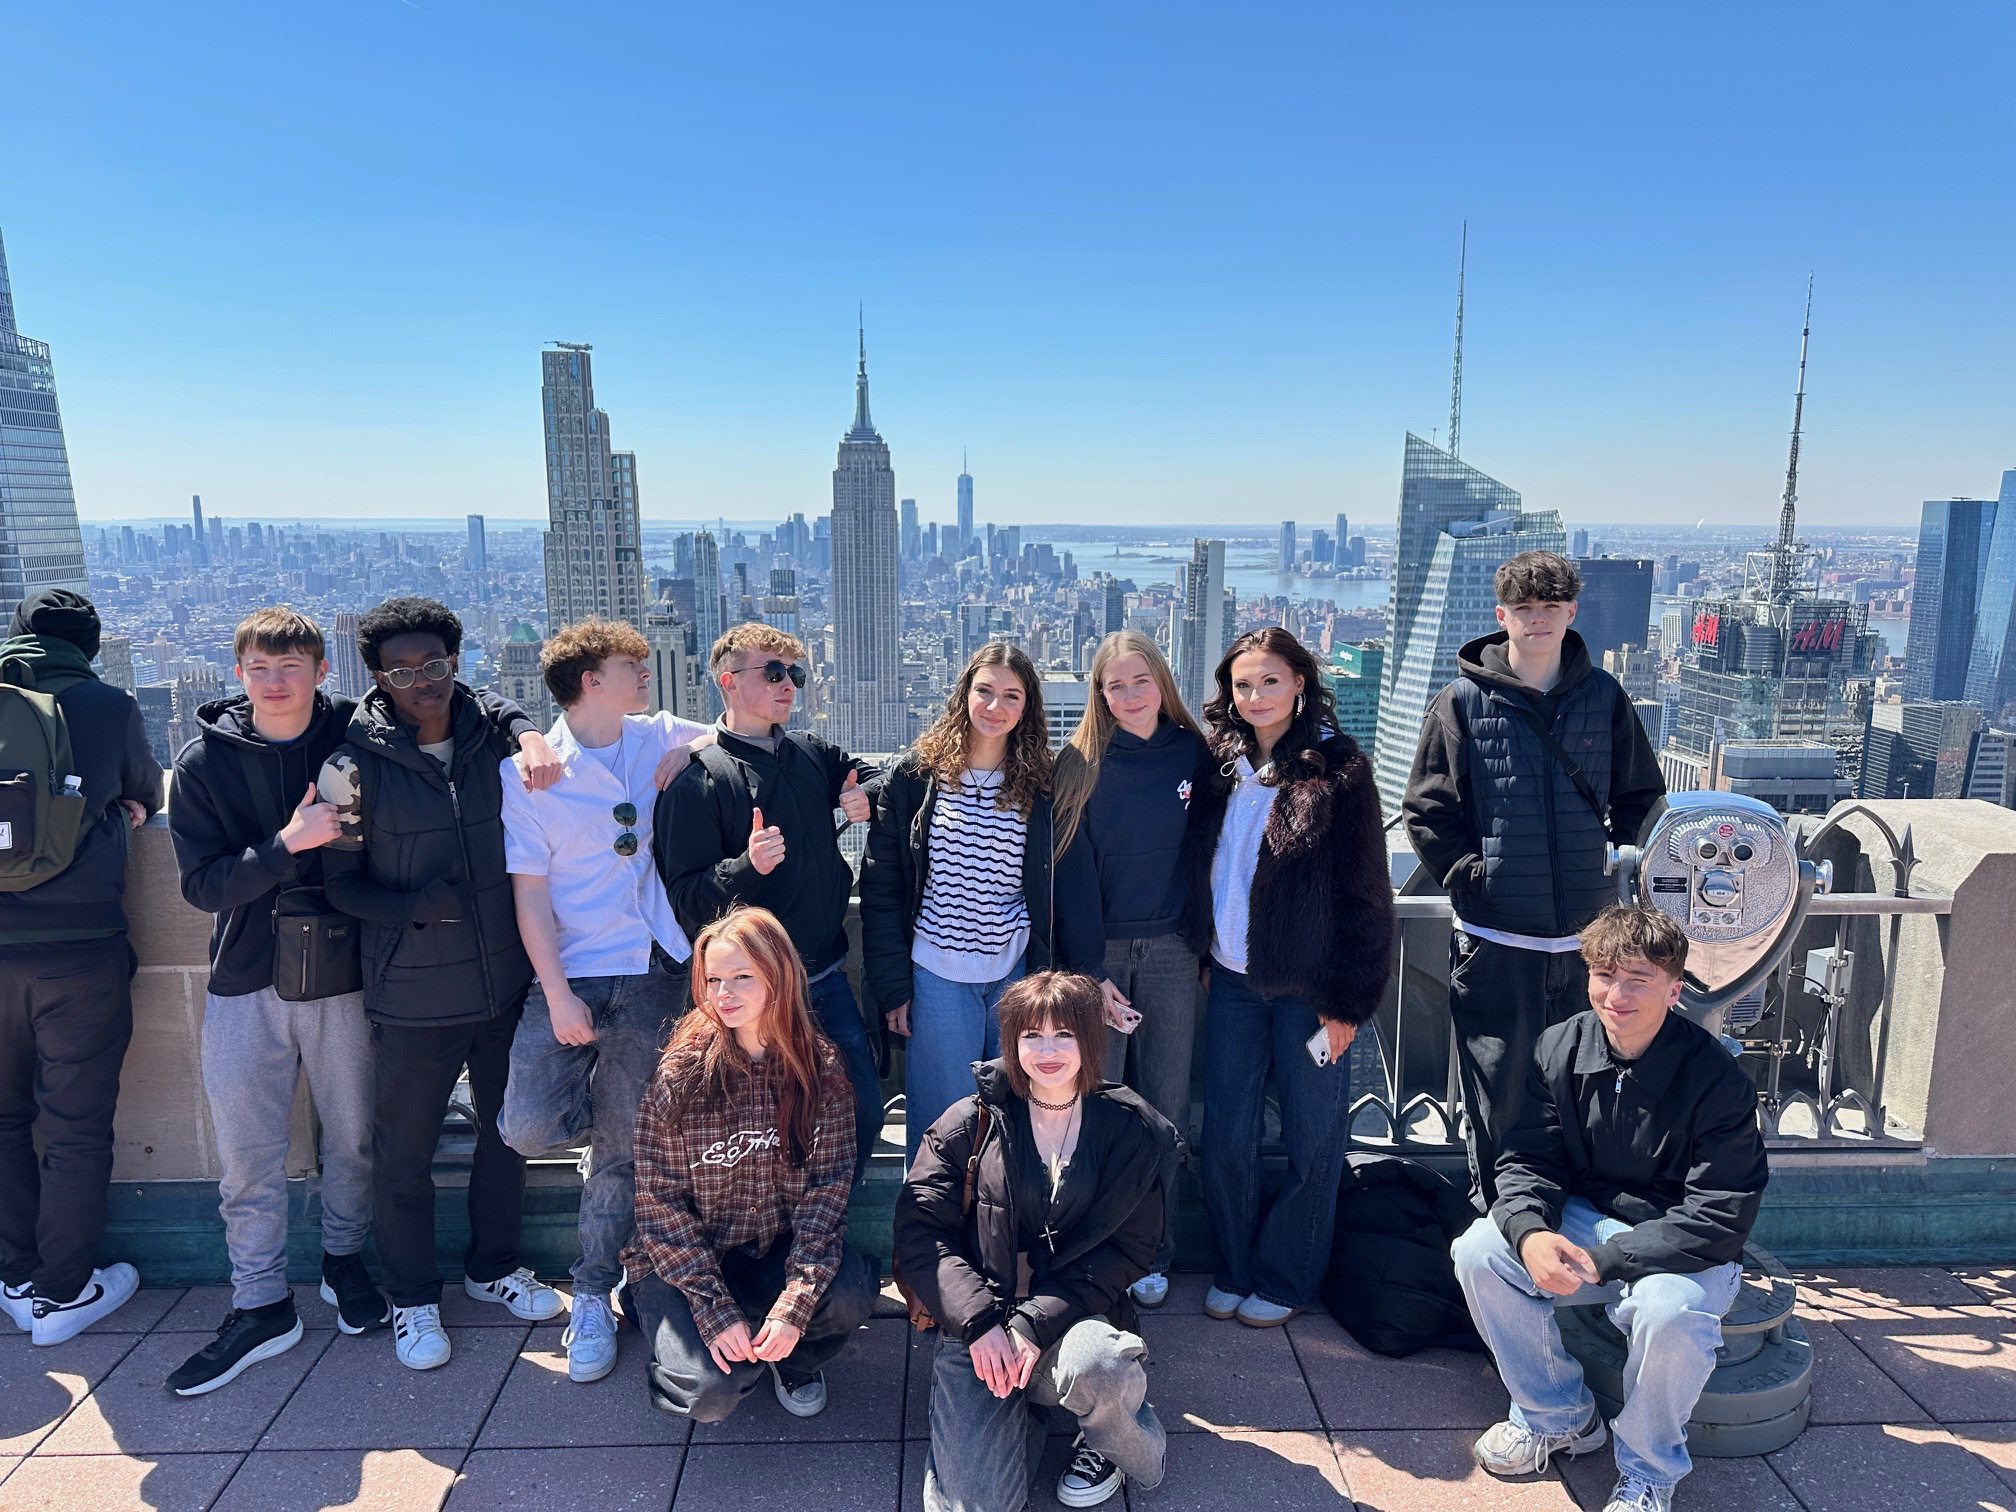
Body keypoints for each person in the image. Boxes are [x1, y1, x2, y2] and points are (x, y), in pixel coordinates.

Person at [164, 606, 559, 1394]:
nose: (422, 681)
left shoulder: (430, 733)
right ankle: (301, 1301)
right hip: (313, 978)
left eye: (291, 668)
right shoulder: (296, 758)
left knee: (442, 1139)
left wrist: (530, 728)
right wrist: (299, 850)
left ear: (322, 672)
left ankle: (417, 1267)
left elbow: (483, 706)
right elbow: (226, 884)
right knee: (302, 1152)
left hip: (436, 977)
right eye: (259, 669)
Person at [318, 597, 566, 1370]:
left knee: (507, 1141)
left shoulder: (496, 736)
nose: (420, 680)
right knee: (405, 1156)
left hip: (504, 984)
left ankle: (491, 1269)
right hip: (411, 997)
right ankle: (413, 1299)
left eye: (433, 664)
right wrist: (410, 910)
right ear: (377, 676)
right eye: (402, 669)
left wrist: (523, 725)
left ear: (456, 662)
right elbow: (338, 886)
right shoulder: (348, 765)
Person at [1453, 905, 1769, 1512]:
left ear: (1675, 989)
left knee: (1669, 1312)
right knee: (1479, 1251)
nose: (1615, 995)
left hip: (1681, 1243)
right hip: (1586, 1219)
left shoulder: (1717, 1079)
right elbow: (1527, 1157)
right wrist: (1527, 1233)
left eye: (1638, 980)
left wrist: (1605, 1259)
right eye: (1604, 975)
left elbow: (1722, 1213)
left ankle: (1650, 1469)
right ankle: (1558, 1416)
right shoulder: (1560, 1046)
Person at [1402, 550, 1665, 1208]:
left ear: (1572, 612)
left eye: (1550, 608)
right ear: (1502, 617)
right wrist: (1474, 876)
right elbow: (1427, 809)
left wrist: (1612, 865)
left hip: (1589, 941)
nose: (1538, 620)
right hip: (1499, 940)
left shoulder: (1603, 696)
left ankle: (1577, 1239)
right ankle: (1502, 1231)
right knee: (1500, 1091)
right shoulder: (1461, 702)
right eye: (1525, 609)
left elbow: (1641, 796)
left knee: (1590, 1089)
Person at [497, 617, 712, 1385]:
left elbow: (734, 729)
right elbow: (528, 897)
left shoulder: (655, 733)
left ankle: (592, 1290)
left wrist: (691, 749)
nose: (646, 675)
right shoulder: (528, 772)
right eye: (632, 665)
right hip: (576, 970)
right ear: (591, 680)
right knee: (523, 1125)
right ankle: (627, 1120)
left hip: (653, 968)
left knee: (619, 1154)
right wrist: (555, 995)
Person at [895, 971, 1173, 1511]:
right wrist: (979, 1324)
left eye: (1064, 1034)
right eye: (1031, 1035)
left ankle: (1124, 1448)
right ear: (1011, 1041)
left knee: (1101, 1365)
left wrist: (1032, 1323)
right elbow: (920, 1232)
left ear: (1090, 1040)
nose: (1047, 1050)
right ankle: (1026, 1412)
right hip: (978, 1322)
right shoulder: (968, 1123)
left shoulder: (1127, 1128)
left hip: (1076, 1314)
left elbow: (1131, 1249)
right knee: (980, 1504)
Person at [1180, 626, 1393, 1328]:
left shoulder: (1339, 769)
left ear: (1300, 682)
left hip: (1310, 991)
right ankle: (1235, 1265)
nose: (1256, 695)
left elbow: (1366, 894)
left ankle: (1288, 1277)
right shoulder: (1219, 764)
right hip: (1233, 982)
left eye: (1270, 680)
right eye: (1243, 683)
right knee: (1227, 1134)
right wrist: (1206, 956)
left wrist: (1348, 1003)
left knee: (1312, 1137)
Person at [624, 904, 875, 1423]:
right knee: (712, 1393)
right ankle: (664, 1324)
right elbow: (659, 1205)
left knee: (850, 1290)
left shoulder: (818, 1071)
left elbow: (826, 1197)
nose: (724, 994)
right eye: (714, 978)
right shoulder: (681, 1075)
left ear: (778, 978)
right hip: (686, 1260)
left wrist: (794, 1308)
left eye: (742, 977)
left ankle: (794, 1357)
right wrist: (713, 1311)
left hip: (771, 1251)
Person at [655, 624, 879, 1182]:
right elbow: (685, 900)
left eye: (794, 674)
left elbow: (877, 775)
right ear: (728, 682)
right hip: (748, 1000)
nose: (789, 686)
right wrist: (745, 869)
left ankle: (824, 1234)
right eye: (773, 673)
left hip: (824, 976)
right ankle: (776, 1240)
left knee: (862, 1112)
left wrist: (863, 795)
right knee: (759, 1130)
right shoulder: (697, 784)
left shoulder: (809, 754)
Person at [0, 589, 160, 1345]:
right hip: (78, 947)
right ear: (90, 644)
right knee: (74, 1124)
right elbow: (145, 792)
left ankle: (15, 1273)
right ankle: (62, 1293)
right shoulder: (105, 704)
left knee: (2, 1120)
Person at [1051, 630, 1205, 1311]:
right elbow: (1070, 873)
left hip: (1174, 953)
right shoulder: (1079, 763)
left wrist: (1202, 945)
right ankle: (1100, 1246)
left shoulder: (1195, 754)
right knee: (1098, 1111)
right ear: (1099, 693)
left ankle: (1156, 1249)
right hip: (1102, 956)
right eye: (1115, 685)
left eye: (1141, 680)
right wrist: (1088, 972)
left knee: (1166, 1113)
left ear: (1162, 682)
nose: (1130, 695)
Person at [860, 642, 1057, 1166]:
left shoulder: (1039, 785)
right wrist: (893, 989)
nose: (996, 706)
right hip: (937, 974)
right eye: (984, 691)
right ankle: (928, 1242)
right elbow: (881, 890)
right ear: (963, 694)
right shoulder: (916, 778)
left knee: (1013, 1123)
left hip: (1013, 973)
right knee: (940, 1126)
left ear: (1027, 706)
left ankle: (995, 1240)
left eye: (1011, 695)